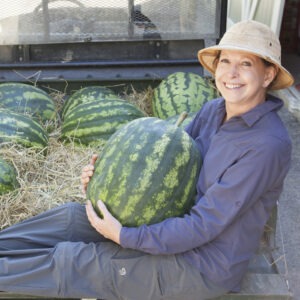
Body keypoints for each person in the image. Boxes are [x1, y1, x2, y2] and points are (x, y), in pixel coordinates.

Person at [0, 20, 294, 300]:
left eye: (246, 64)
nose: (231, 73)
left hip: (201, 264)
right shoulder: (215, 110)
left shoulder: (266, 146)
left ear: (267, 75)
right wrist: (108, 171)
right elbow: (166, 149)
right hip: (169, 223)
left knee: (79, 262)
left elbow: (204, 225)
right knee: (68, 218)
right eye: (226, 61)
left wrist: (125, 236)